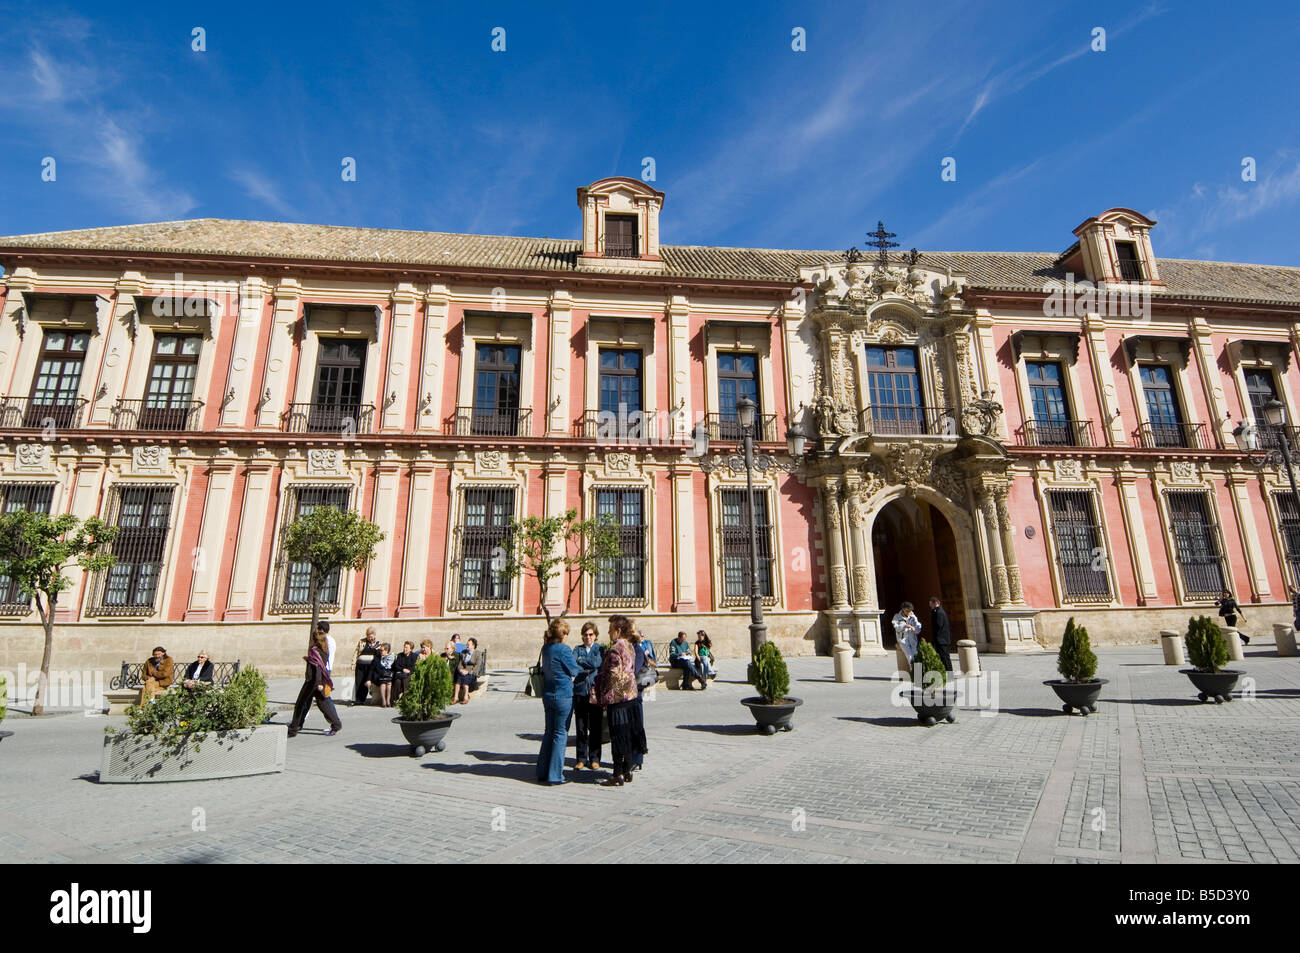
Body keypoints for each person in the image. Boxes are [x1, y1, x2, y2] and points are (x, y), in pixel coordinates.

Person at [595, 614, 646, 787]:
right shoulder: (630, 646)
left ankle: (617, 774)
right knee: (628, 735)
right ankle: (627, 770)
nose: (608, 632)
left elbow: (613, 676)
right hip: (631, 696)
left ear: (617, 630)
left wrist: (603, 691)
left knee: (617, 737)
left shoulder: (616, 648)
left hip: (618, 700)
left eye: (610, 629)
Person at [536, 619, 579, 785]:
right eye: (566, 633)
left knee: (549, 732)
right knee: (561, 734)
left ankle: (542, 770)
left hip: (548, 694)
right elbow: (574, 670)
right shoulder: (563, 649)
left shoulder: (545, 648)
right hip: (563, 695)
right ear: (562, 634)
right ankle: (555, 775)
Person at [288, 629, 342, 737]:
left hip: (312, 682)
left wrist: (318, 683)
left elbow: (316, 668)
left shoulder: (315, 651)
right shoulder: (324, 650)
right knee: (323, 703)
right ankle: (336, 724)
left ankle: (293, 729)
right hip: (318, 681)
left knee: (300, 704)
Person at [572, 622, 604, 770]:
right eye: (585, 635)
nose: (588, 637)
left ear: (595, 636)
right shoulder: (576, 649)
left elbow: (598, 663)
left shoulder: (600, 649)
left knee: (596, 727)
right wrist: (587, 666)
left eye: (590, 634)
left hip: (594, 692)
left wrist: (582, 661)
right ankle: (581, 758)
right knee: (580, 727)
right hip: (580, 691)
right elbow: (574, 667)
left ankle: (595, 758)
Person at [353, 627, 380, 706]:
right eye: (368, 636)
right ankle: (358, 699)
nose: (370, 638)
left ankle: (363, 698)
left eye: (371, 637)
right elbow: (356, 652)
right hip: (360, 665)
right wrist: (353, 663)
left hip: (370, 667)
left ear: (374, 636)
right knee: (359, 681)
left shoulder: (378, 644)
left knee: (366, 681)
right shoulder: (362, 642)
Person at [893, 602, 922, 668]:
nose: (908, 612)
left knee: (915, 656)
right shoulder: (897, 617)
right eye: (907, 611)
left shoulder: (913, 617)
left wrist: (915, 628)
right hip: (903, 640)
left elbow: (918, 628)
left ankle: (917, 675)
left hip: (913, 639)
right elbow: (896, 628)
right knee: (910, 657)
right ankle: (914, 673)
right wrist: (904, 626)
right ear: (903, 609)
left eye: (910, 611)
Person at [929, 597, 953, 673]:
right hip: (941, 639)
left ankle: (948, 672)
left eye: (931, 604)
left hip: (941, 639)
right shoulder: (938, 611)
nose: (930, 606)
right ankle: (947, 672)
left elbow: (938, 625)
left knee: (944, 657)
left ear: (935, 603)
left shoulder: (938, 612)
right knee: (943, 656)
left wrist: (936, 638)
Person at [454, 638, 482, 704]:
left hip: (471, 673)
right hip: (463, 672)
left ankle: (466, 697)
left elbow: (478, 665)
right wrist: (461, 670)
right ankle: (456, 697)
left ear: (473, 645)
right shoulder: (464, 652)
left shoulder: (477, 653)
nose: (466, 646)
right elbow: (460, 664)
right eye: (466, 644)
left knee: (465, 679)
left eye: (468, 644)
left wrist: (469, 672)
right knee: (458, 680)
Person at [374, 642, 396, 707]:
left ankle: (388, 700)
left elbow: (394, 667)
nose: (380, 652)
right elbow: (376, 667)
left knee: (389, 684)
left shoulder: (391, 657)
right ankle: (383, 700)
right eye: (380, 650)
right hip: (381, 674)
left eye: (382, 650)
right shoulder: (378, 657)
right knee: (383, 684)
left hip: (389, 674)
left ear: (386, 650)